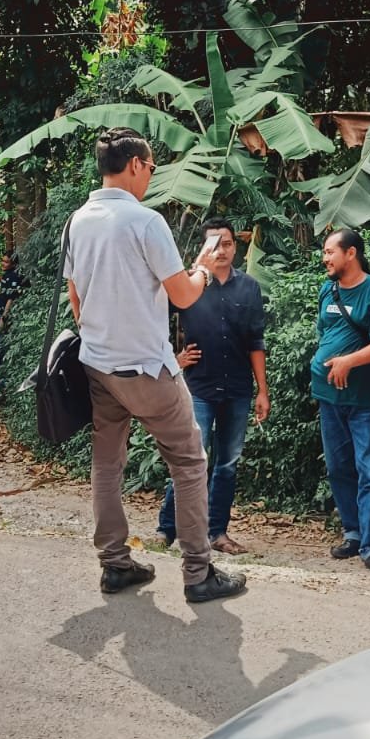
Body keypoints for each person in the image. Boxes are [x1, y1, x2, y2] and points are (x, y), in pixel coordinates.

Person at [65, 127, 246, 603]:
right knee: (189, 462)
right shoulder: (146, 222)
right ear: (134, 165)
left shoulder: (77, 221)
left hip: (98, 365)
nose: (150, 175)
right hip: (146, 367)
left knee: (107, 464)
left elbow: (75, 297)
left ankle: (115, 564)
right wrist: (202, 267)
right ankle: (198, 573)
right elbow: (183, 295)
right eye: (149, 167)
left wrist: (103, 334)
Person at [156, 219, 270, 553]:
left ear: (236, 247)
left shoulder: (249, 287)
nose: (221, 251)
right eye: (214, 245)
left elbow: (256, 341)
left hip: (237, 389)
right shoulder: (189, 283)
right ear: (203, 249)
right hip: (199, 388)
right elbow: (154, 318)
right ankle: (167, 529)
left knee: (227, 464)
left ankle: (217, 532)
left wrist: (262, 390)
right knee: (191, 460)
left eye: (228, 244)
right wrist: (173, 359)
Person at [312, 228, 370, 575]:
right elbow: (325, 332)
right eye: (324, 252)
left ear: (351, 253)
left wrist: (349, 361)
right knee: (338, 468)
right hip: (328, 397)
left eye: (330, 252)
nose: (325, 258)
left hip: (365, 399)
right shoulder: (328, 290)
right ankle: (353, 533)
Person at [0, 250, 29, 323]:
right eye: (2, 260)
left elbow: (11, 299)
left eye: (6, 262)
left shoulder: (14, 276)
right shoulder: (7, 273)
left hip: (10, 315)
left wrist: (3, 319)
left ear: (13, 264)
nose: (2, 263)